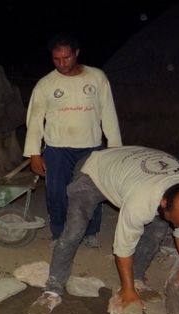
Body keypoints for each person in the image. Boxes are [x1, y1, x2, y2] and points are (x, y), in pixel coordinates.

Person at [27, 146, 179, 314]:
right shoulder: (140, 201)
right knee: (74, 230)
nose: (177, 228)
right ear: (163, 203)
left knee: (156, 232)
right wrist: (126, 290)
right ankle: (52, 289)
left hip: (136, 171)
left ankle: (137, 278)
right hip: (94, 170)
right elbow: (124, 247)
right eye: (176, 222)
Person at [23, 32, 122, 248]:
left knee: (92, 191)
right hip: (57, 149)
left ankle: (90, 232)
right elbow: (35, 120)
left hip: (91, 147)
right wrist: (34, 153)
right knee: (56, 193)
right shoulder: (45, 84)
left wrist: (114, 148)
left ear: (76, 53)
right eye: (56, 59)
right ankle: (59, 234)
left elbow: (109, 114)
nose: (61, 63)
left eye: (66, 57)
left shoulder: (96, 77)